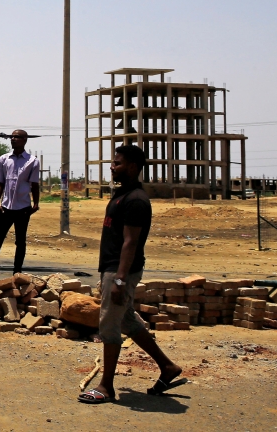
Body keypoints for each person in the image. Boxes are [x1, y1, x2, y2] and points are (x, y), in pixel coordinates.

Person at [78, 144, 184, 404]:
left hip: (120, 270)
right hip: (114, 268)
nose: (112, 167)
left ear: (134, 167)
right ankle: (167, 367)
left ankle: (106, 386)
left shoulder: (136, 200)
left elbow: (130, 242)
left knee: (109, 325)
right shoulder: (122, 195)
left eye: (118, 163)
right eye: (113, 163)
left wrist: (119, 279)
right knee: (126, 319)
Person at [0, 130, 41, 275]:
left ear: (25, 140)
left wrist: (35, 204)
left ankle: (17, 272)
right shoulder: (3, 159)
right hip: (5, 208)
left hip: (23, 208)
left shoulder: (32, 161)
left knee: (20, 242)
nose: (13, 139)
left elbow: (35, 184)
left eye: (17, 137)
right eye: (12, 137)